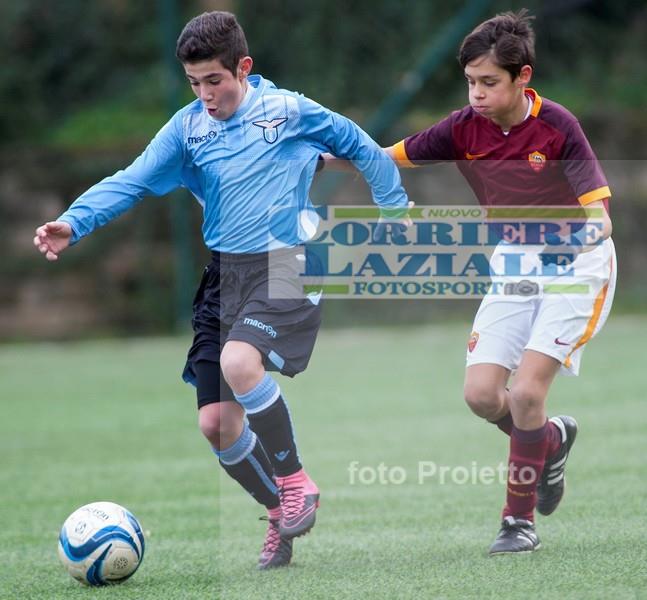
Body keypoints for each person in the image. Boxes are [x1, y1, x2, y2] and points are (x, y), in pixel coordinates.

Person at [33, 11, 409, 569]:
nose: (206, 94)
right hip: (225, 275)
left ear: (244, 68)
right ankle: (280, 514)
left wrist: (394, 208)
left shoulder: (287, 111)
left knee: (239, 362)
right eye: (195, 83)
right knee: (217, 425)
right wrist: (75, 221)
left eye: (215, 80)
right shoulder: (188, 128)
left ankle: (297, 481)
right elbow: (133, 180)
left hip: (288, 263)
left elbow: (359, 144)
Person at [324, 9, 615, 555]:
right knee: (483, 395)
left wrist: (592, 229)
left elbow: (598, 210)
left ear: (522, 77)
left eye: (489, 82)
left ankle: (517, 522)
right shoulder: (464, 128)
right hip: (514, 264)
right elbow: (389, 158)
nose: (477, 94)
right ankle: (548, 441)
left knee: (527, 392)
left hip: (577, 268)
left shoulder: (557, 125)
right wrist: (320, 162)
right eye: (470, 82)